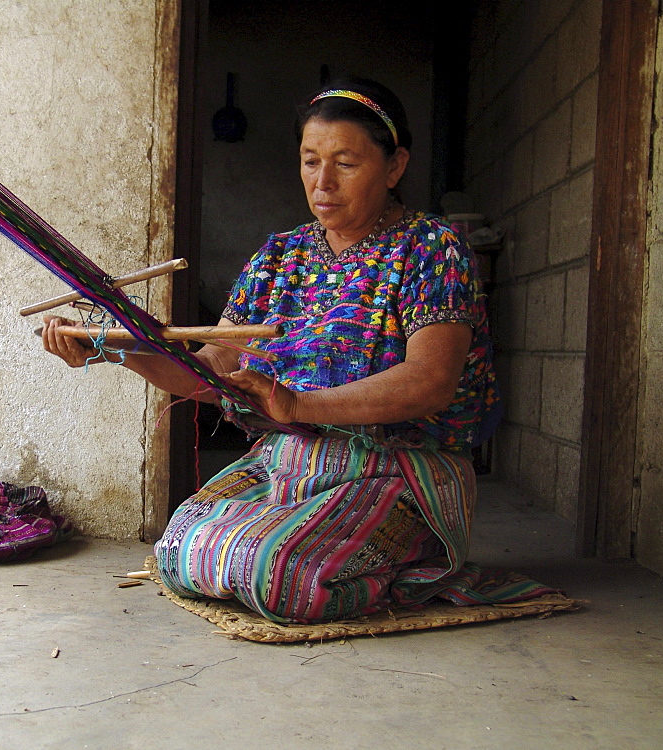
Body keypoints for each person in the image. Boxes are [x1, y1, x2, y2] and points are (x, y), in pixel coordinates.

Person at [43, 76, 553, 624]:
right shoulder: (279, 257)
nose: (323, 182)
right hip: (287, 463)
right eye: (311, 161)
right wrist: (112, 347)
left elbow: (430, 380)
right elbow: (213, 368)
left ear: (396, 166)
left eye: (346, 163)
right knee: (177, 549)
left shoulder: (430, 249)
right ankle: (316, 549)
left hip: (396, 469)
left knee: (276, 572)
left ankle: (413, 562)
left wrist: (298, 406)